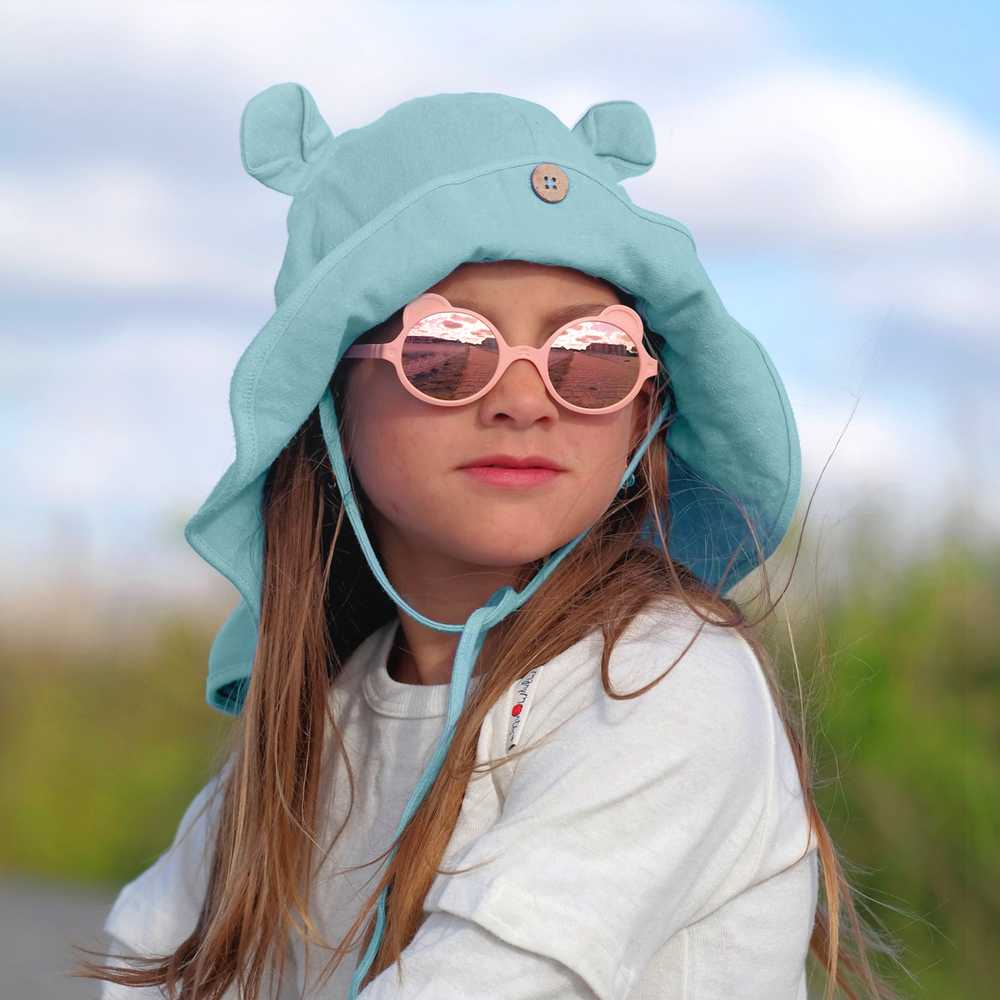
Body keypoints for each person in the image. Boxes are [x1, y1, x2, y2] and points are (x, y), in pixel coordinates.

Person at [74, 83, 899, 999]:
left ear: (641, 414)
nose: (522, 399)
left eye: (592, 356)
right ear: (331, 400)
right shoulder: (328, 716)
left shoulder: (662, 678)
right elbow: (153, 963)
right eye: (447, 349)